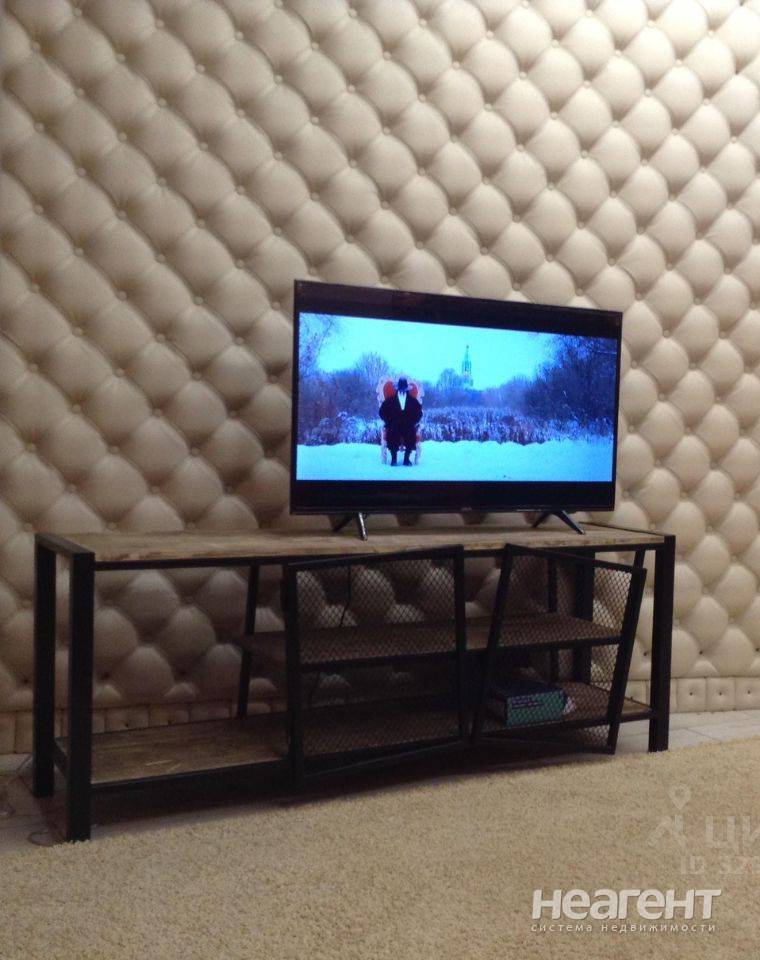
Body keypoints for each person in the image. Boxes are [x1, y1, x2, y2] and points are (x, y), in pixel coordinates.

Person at [378, 377, 422, 465]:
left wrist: (413, 422)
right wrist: (388, 421)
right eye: (400, 389)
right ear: (397, 388)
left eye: (404, 389)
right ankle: (393, 459)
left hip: (408, 425)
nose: (402, 391)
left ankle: (406, 459)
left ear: (407, 389)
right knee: (392, 434)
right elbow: (381, 412)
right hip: (394, 425)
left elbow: (419, 413)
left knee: (411, 434)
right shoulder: (390, 401)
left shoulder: (413, 401)